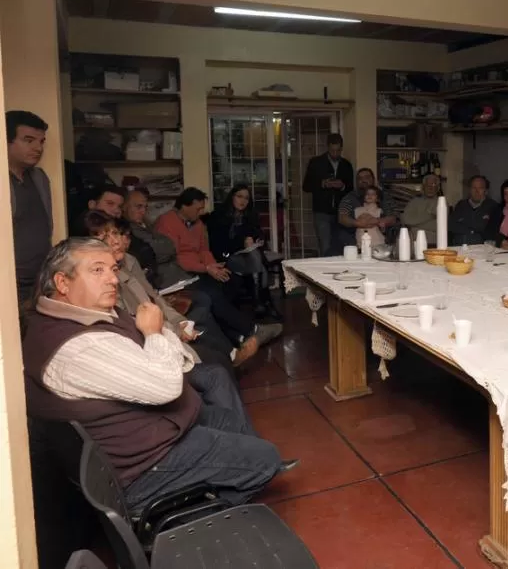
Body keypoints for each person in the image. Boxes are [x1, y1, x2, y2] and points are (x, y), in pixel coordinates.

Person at [21, 238, 296, 513]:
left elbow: (179, 356)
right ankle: (193, 519)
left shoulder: (93, 315)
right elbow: (167, 382)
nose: (113, 279)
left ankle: (234, 471)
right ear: (62, 283)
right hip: (144, 466)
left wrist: (157, 339)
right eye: (97, 270)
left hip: (155, 431)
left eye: (113, 269)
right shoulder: (75, 347)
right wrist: (152, 333)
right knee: (266, 459)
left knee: (227, 419)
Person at [78, 211, 252, 372]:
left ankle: (235, 348)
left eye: (115, 233)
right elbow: (129, 320)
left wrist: (179, 322)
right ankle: (237, 347)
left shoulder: (129, 260)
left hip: (161, 324)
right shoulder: (102, 279)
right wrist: (175, 329)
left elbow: (153, 296)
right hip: (144, 340)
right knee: (215, 364)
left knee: (205, 309)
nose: (115, 241)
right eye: (103, 236)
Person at [155, 187, 281, 350]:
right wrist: (206, 268)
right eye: (197, 208)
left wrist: (213, 265)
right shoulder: (167, 222)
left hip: (199, 269)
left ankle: (237, 335)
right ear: (184, 206)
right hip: (182, 273)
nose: (200, 212)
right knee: (213, 292)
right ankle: (250, 330)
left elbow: (204, 250)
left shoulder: (198, 223)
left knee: (231, 280)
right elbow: (175, 257)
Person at [205, 184, 280, 319]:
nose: (243, 201)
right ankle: (264, 303)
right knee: (259, 264)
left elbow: (258, 233)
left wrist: (258, 240)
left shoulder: (250, 215)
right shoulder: (218, 215)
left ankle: (260, 303)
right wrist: (242, 242)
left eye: (246, 198)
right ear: (232, 197)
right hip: (227, 256)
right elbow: (218, 244)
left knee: (255, 256)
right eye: (239, 196)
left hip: (248, 256)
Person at [7, 110, 53, 310]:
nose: (38, 147)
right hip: (10, 283)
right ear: (6, 140)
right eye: (28, 140)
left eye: (41, 141)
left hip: (40, 279)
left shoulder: (39, 178)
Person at [302, 133, 354, 257]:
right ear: (328, 147)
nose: (335, 154)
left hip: (341, 212)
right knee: (325, 245)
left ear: (341, 148)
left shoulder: (346, 165)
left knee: (342, 244)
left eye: (338, 150)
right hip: (322, 211)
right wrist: (323, 184)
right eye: (332, 150)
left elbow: (351, 189)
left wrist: (342, 186)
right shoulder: (316, 163)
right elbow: (306, 186)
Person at [337, 168, 398, 249]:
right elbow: (342, 217)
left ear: (373, 179)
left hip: (382, 233)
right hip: (355, 234)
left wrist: (377, 221)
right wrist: (358, 223)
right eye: (360, 178)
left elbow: (394, 217)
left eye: (367, 177)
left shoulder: (384, 196)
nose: (363, 180)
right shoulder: (349, 198)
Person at [449, 175, 501, 246]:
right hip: (459, 247)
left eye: (480, 188)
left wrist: (464, 224)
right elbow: (452, 226)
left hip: (481, 249)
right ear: (470, 190)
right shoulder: (461, 205)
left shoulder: (493, 206)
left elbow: (488, 230)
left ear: (486, 191)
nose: (477, 191)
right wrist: (473, 231)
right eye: (474, 188)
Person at [400, 173, 442, 245]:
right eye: (427, 185)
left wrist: (413, 225)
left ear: (438, 188)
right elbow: (406, 220)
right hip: (413, 242)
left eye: (433, 185)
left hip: (433, 243)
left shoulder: (441, 203)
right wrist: (430, 216)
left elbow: (438, 226)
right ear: (423, 187)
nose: (430, 188)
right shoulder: (414, 201)